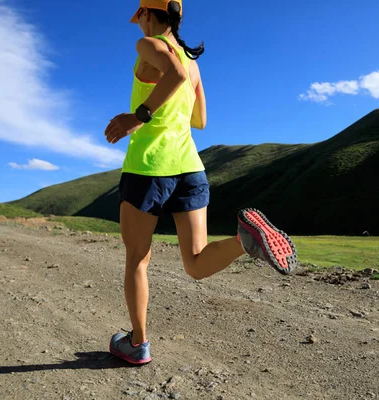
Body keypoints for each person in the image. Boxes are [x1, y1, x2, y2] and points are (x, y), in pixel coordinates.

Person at [104, 0, 298, 365]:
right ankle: (246, 241)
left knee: (137, 260)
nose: (138, 25)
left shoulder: (150, 45)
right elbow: (201, 120)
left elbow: (172, 75)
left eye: (139, 17)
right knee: (194, 263)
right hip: (190, 167)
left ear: (147, 14)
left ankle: (137, 343)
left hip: (149, 167)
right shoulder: (193, 63)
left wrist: (139, 116)